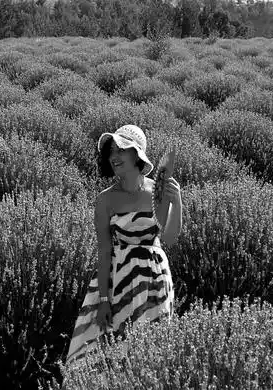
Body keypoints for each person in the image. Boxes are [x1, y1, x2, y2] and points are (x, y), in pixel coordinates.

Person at [65, 124, 182, 365]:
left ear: (137, 154)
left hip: (155, 280)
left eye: (121, 150)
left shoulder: (157, 191)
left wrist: (177, 202)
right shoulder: (105, 199)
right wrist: (103, 300)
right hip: (120, 280)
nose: (114, 157)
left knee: (153, 352)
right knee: (112, 351)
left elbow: (169, 239)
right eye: (111, 152)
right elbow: (104, 250)